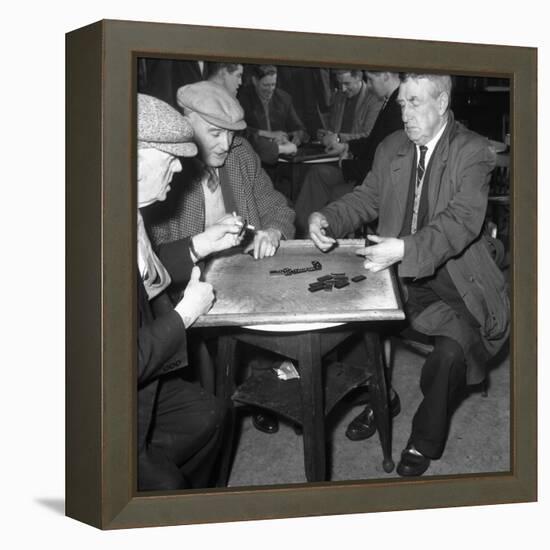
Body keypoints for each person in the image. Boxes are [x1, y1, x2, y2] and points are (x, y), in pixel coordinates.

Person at [308, 74, 509, 477]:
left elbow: (461, 222)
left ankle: (424, 438)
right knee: (342, 318)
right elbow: (368, 197)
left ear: (442, 102)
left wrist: (403, 248)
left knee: (451, 355)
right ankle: (381, 399)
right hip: (395, 271)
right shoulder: (392, 147)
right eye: (402, 104)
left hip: (453, 278)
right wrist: (327, 216)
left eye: (415, 103)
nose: (405, 114)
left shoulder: (472, 151)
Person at [143, 81, 296, 435]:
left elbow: (277, 207)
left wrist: (273, 230)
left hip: (244, 274)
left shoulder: (240, 153)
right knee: (209, 393)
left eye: (230, 134)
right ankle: (221, 404)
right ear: (187, 120)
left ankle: (261, 391)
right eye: (214, 133)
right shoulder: (166, 169)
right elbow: (155, 256)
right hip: (185, 286)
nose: (225, 144)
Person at [137, 93, 247, 491]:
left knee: (213, 413)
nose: (180, 167)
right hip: (103, 405)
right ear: (133, 165)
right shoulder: (96, 234)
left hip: (143, 379)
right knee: (165, 486)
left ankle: (193, 497)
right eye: (169, 159)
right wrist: (185, 313)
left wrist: (202, 243)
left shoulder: (128, 209)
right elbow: (122, 360)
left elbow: (148, 269)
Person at [294, 71, 403, 236]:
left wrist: (345, 163)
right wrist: (347, 146)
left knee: (335, 193)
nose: (370, 85)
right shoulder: (389, 100)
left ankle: (318, 231)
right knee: (316, 174)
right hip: (360, 165)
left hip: (370, 177)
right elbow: (373, 143)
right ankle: (301, 229)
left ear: (386, 76)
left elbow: (380, 160)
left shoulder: (394, 105)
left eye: (371, 80)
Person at [238, 64, 309, 164]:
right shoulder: (242, 99)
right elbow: (239, 131)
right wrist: (268, 134)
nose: (270, 90)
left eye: (273, 85)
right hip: (253, 158)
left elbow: (300, 129)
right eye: (265, 85)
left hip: (282, 161)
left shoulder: (284, 98)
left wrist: (296, 136)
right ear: (254, 81)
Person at [317, 69, 382, 147]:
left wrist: (339, 138)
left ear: (359, 78)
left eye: (347, 83)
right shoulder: (338, 96)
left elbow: (369, 136)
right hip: (335, 150)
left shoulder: (375, 98)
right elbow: (333, 128)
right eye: (339, 84)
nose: (343, 89)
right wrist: (326, 133)